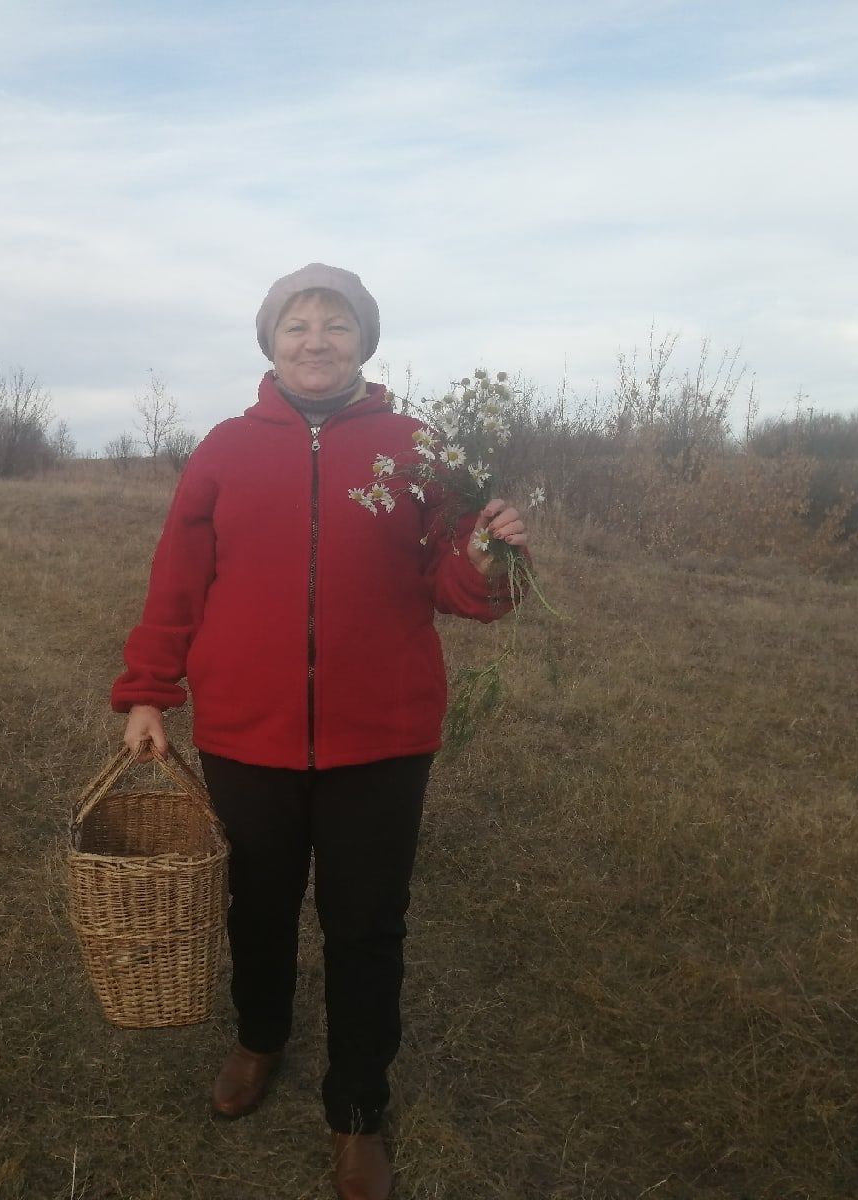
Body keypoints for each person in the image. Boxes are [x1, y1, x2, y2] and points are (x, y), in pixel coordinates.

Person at [111, 264, 527, 1200]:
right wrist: (147, 691)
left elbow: (459, 590)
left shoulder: (420, 449)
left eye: (334, 325)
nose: (315, 340)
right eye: (296, 325)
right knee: (255, 904)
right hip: (248, 734)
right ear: (269, 342)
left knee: (366, 925)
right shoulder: (223, 448)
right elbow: (176, 579)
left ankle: (357, 1109)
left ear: (364, 342)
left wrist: (489, 552)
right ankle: (260, 1038)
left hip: (380, 736)